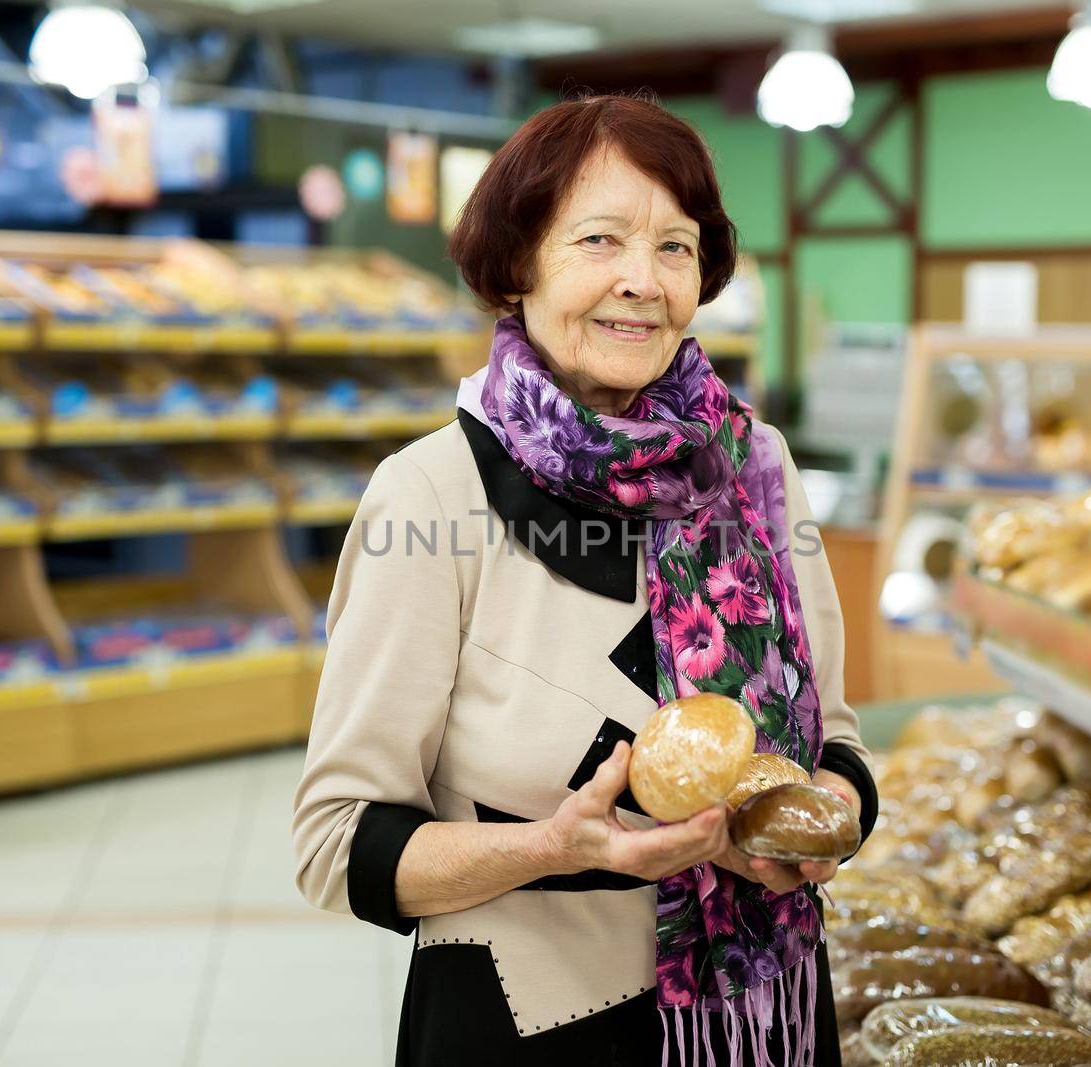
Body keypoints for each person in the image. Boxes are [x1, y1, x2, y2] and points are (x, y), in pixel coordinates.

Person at [293, 94, 878, 1067]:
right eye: (599, 240)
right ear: (518, 264)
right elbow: (336, 839)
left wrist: (829, 821)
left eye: (674, 247)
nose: (640, 282)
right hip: (529, 1016)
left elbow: (838, 741)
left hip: (764, 1010)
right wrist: (550, 847)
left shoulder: (757, 464)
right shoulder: (430, 490)